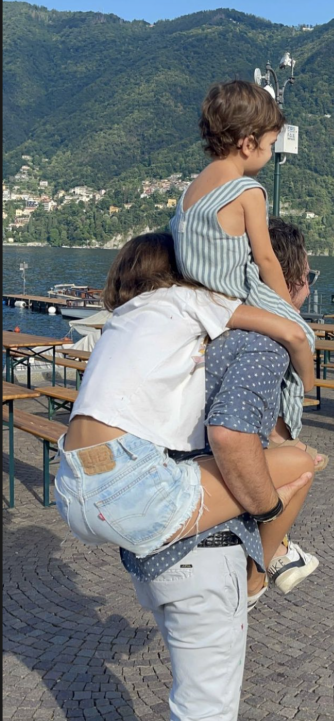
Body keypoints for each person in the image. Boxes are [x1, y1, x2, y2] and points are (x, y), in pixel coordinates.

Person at [99, 221, 320, 721]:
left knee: (192, 698)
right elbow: (236, 440)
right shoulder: (256, 343)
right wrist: (272, 509)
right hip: (205, 554)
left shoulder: (192, 332)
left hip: (153, 548)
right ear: (295, 282)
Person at [54, 232, 315, 561]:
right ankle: (266, 566)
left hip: (71, 485)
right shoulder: (186, 297)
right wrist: (308, 383)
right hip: (129, 485)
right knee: (299, 466)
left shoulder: (121, 319)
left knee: (255, 460)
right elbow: (291, 332)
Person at [170, 79, 327, 472]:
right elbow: (267, 260)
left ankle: (281, 427)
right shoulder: (246, 190)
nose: (271, 153)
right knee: (300, 335)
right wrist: (286, 312)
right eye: (271, 145)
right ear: (248, 142)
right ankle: (300, 406)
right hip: (231, 295)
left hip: (194, 296)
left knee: (291, 337)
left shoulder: (190, 191)